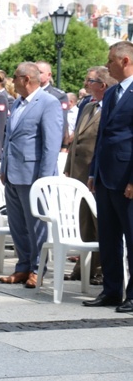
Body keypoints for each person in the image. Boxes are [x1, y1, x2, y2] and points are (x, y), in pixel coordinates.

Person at [0, 62, 63, 288]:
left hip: (34, 176)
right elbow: (10, 139)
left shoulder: (49, 103)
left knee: (36, 226)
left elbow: (51, 145)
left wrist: (44, 181)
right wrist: (3, 168)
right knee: (18, 225)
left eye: (15, 77)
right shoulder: (18, 102)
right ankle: (23, 266)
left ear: (26, 79)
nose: (12, 81)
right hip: (13, 174)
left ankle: (38, 269)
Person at [84, 41, 133, 312]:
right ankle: (112, 290)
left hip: (126, 176)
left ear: (125, 61)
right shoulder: (113, 92)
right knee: (109, 237)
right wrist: (93, 172)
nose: (107, 65)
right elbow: (102, 137)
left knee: (132, 237)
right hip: (105, 176)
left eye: (111, 61)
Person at [63, 66, 115, 284]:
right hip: (79, 173)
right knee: (84, 222)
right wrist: (68, 166)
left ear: (102, 85)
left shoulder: (111, 107)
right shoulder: (88, 106)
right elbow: (76, 140)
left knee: (99, 222)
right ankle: (83, 268)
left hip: (96, 175)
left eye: (90, 80)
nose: (85, 84)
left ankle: (102, 268)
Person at [36, 61, 68, 150]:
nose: (36, 75)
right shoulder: (27, 94)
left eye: (40, 72)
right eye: (34, 72)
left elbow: (61, 124)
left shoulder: (58, 96)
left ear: (49, 75)